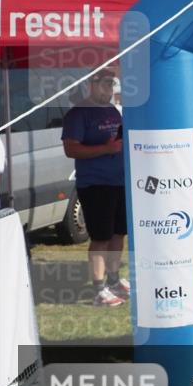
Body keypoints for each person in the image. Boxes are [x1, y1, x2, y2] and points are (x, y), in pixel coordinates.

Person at [61, 69, 130, 307]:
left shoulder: (111, 111)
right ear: (92, 85)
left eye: (112, 85)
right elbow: (71, 149)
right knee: (100, 237)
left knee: (118, 233)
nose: (109, 90)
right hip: (95, 184)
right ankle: (99, 290)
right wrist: (106, 149)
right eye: (105, 85)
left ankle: (113, 280)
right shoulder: (78, 114)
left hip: (119, 181)